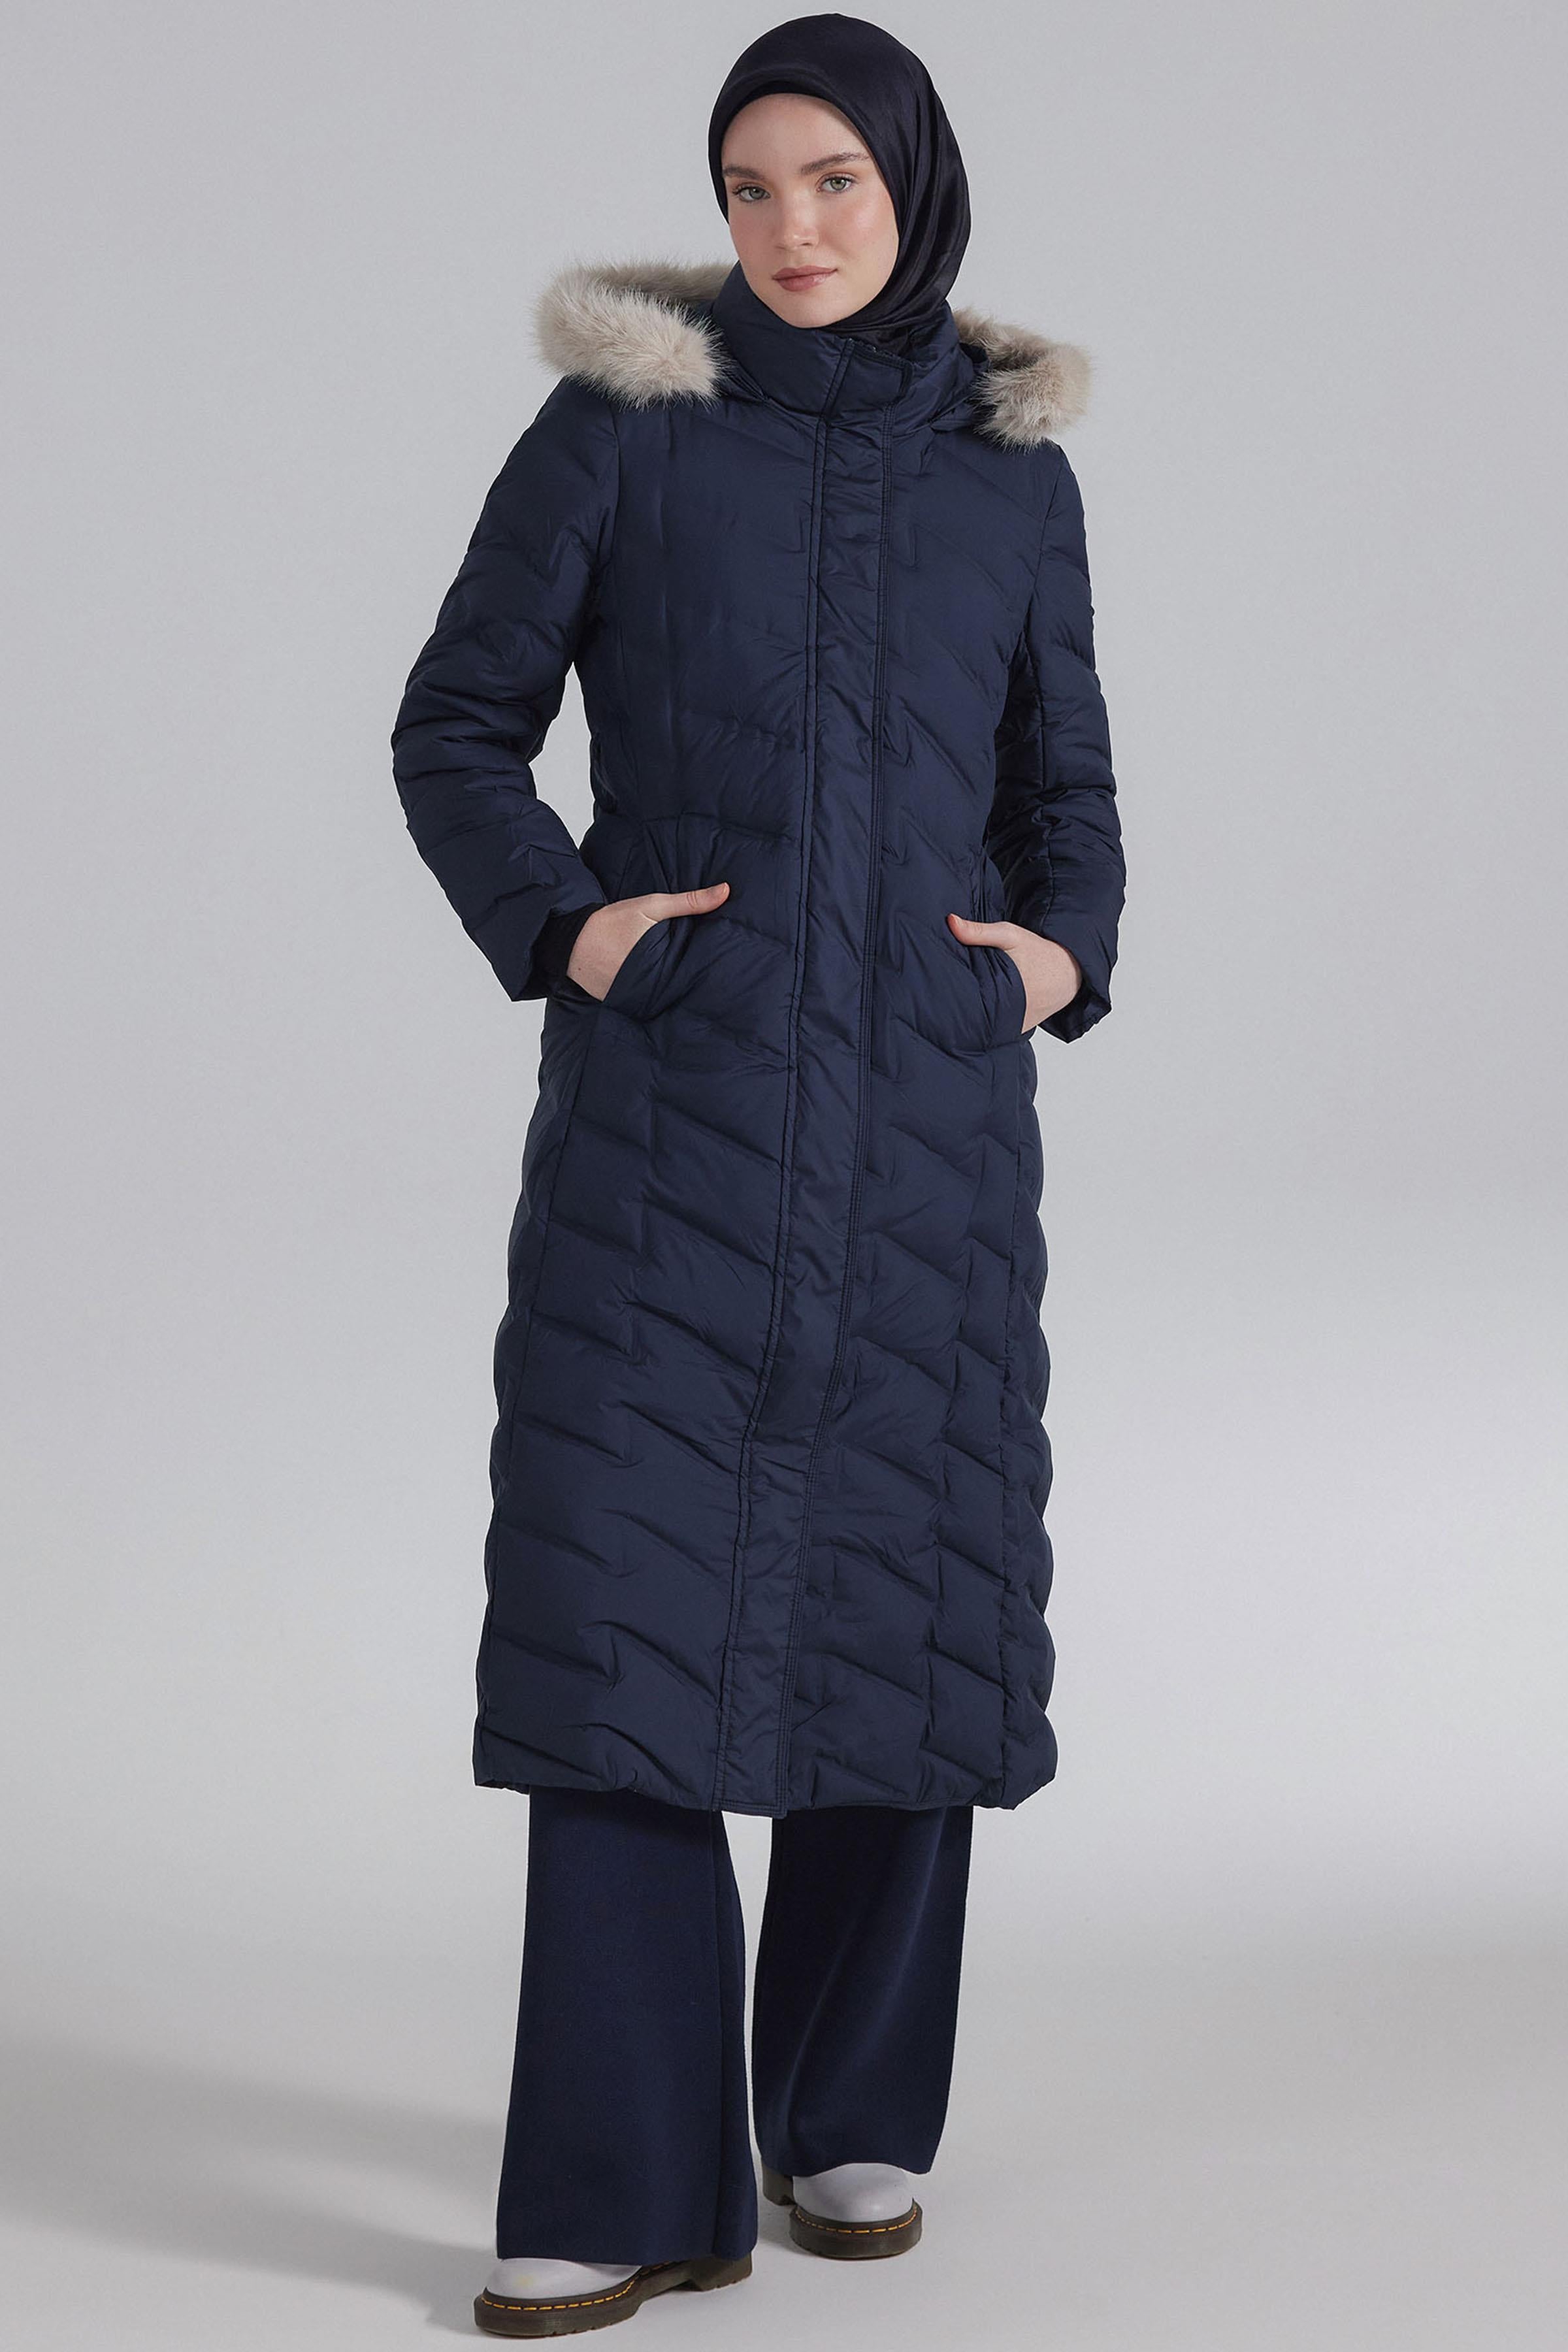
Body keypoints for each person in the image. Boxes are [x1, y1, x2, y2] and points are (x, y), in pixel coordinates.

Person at [390, 12, 1124, 2337]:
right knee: (620, 1626)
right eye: (747, 186)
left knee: (904, 1606)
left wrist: (1057, 959)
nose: (788, 229)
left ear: (914, 185)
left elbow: (1068, 792)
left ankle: (846, 2107)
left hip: (926, 1142)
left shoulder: (1012, 474)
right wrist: (572, 925)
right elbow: (457, 724)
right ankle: (618, 2181)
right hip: (669, 1133)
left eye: (832, 181)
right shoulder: (628, 424)